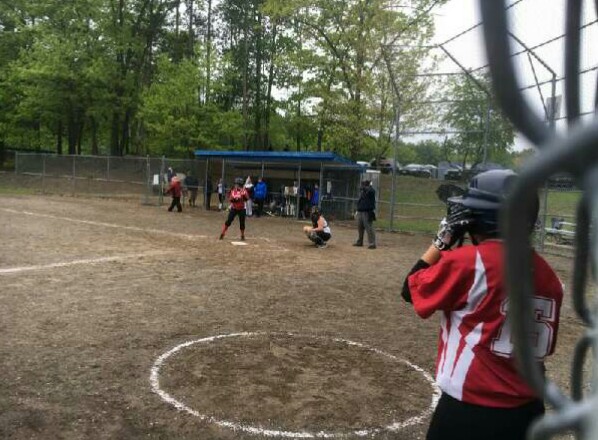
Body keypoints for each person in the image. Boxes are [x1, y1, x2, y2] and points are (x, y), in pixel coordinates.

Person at [400, 170, 563, 440]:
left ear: (483, 218)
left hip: (471, 411)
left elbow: (409, 289)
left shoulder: (469, 262)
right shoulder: (552, 278)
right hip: (529, 414)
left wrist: (444, 238)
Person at [353, 179, 377, 249]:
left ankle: (372, 243)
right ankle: (360, 241)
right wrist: (357, 210)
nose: (362, 186)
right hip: (360, 211)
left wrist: (366, 187)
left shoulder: (371, 191)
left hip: (367, 211)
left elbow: (371, 191)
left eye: (364, 184)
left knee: (369, 227)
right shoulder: (363, 192)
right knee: (360, 227)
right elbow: (359, 201)